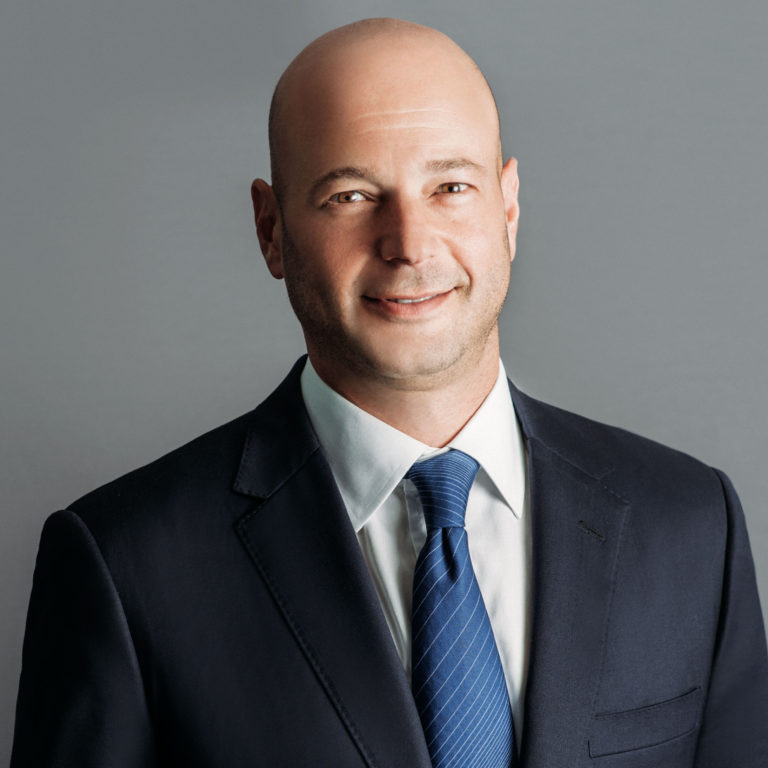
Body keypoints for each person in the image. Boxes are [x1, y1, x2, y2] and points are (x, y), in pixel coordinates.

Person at [10, 17, 768, 768]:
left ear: (507, 208)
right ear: (271, 229)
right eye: (350, 195)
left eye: (450, 186)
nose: (408, 243)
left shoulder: (692, 526)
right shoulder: (124, 563)